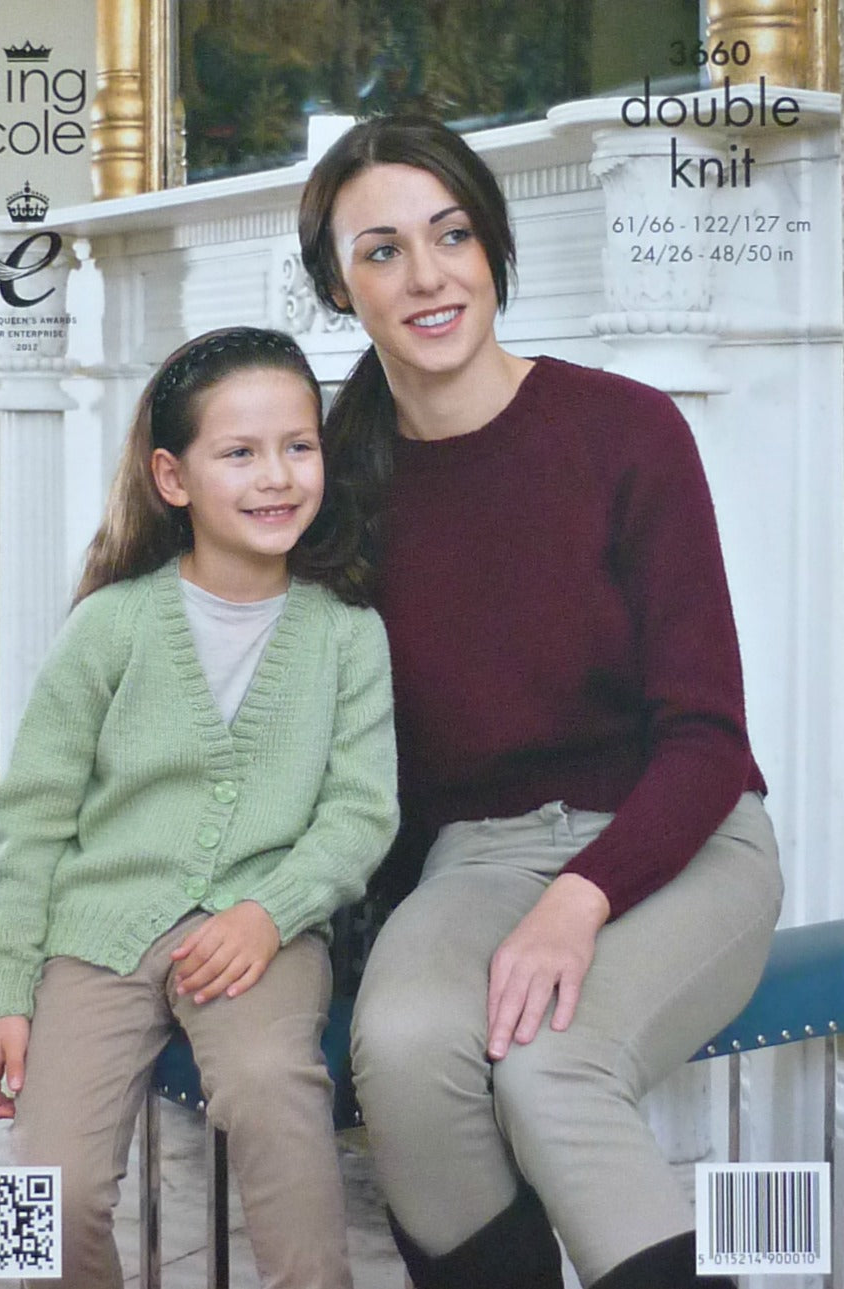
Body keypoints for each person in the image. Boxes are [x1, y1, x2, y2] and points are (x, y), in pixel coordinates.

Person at [298, 115, 784, 1289]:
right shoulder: (328, 479)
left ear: (492, 244)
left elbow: (705, 735)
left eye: (450, 234)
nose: (427, 275)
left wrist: (579, 895)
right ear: (336, 286)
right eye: (381, 250)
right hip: (470, 859)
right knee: (403, 1050)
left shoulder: (624, 429)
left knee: (547, 1062)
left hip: (681, 836)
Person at [0, 326, 399, 1289]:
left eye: (298, 445)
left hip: (261, 930)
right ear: (172, 477)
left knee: (272, 1090)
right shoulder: (107, 623)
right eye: (239, 452)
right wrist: (8, 991)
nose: (276, 475)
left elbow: (360, 814)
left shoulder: (349, 633)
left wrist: (270, 912)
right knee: (40, 1187)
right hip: (94, 930)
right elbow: (28, 821)